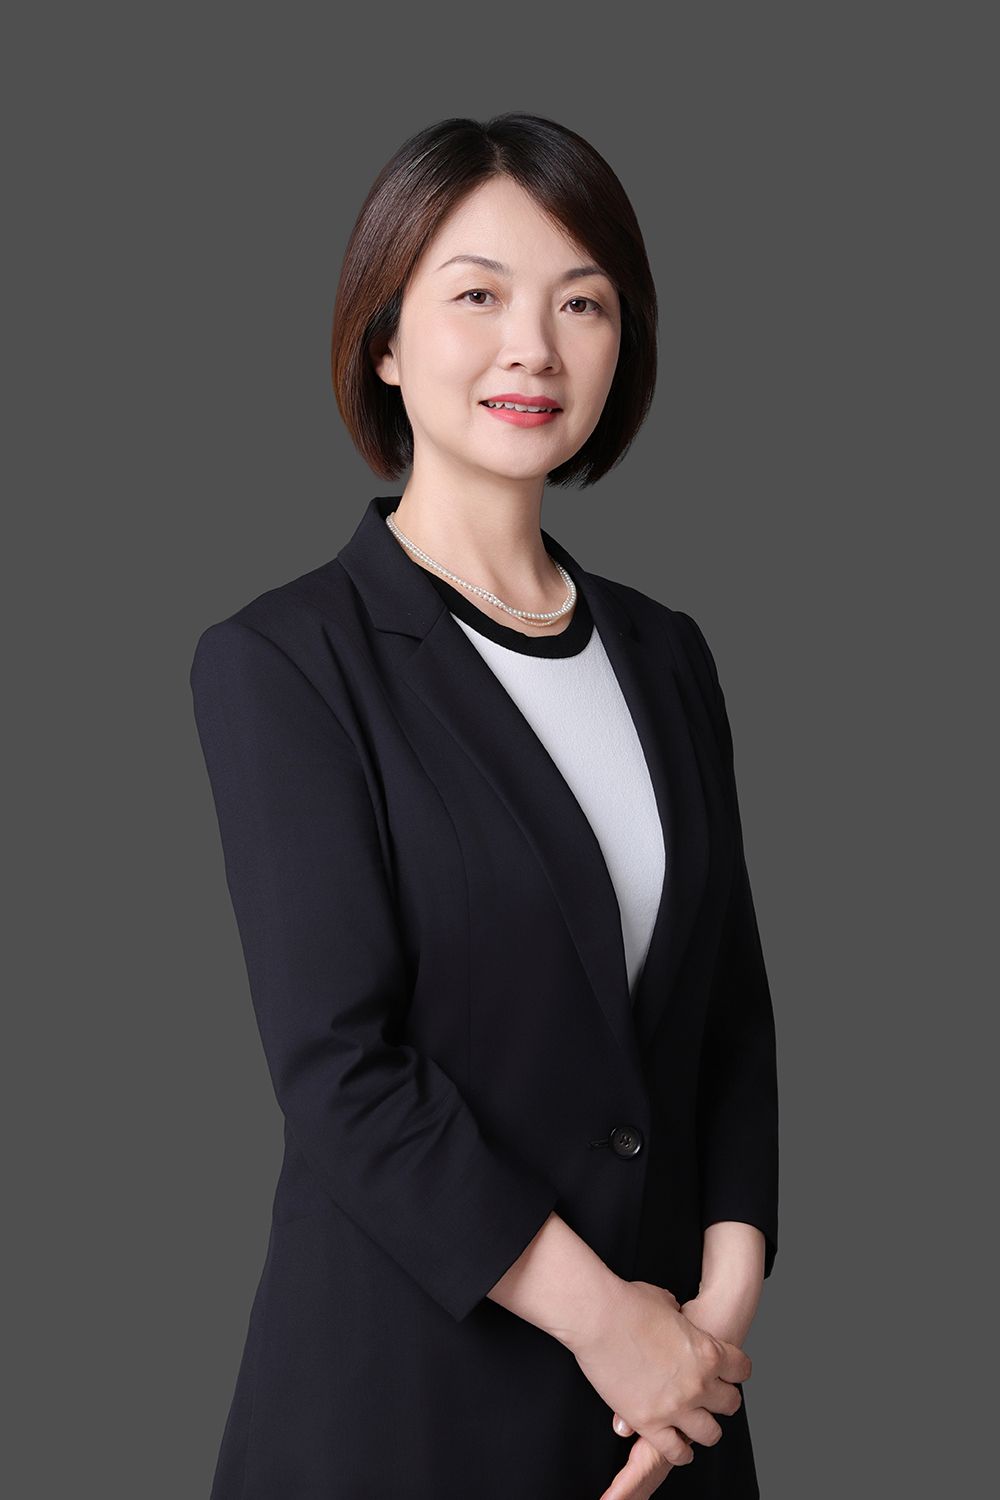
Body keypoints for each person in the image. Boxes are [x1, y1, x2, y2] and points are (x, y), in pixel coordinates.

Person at [190, 112, 779, 1500]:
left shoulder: (668, 652)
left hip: (667, 1416)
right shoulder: (287, 660)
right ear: (385, 342)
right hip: (406, 1403)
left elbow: (729, 1015)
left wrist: (715, 1318)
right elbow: (343, 1072)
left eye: (582, 303)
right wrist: (613, 1327)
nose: (535, 348)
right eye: (477, 296)